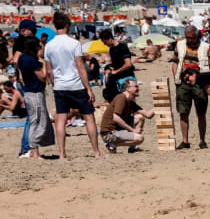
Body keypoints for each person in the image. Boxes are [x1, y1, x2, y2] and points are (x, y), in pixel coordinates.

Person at [43, 12, 101, 159]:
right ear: (67, 25)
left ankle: (62, 154)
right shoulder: (74, 43)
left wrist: (54, 84)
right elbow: (80, 67)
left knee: (60, 119)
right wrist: (88, 88)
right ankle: (96, 152)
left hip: (60, 87)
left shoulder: (49, 46)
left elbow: (48, 70)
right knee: (89, 118)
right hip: (76, 85)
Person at [173, 25, 210, 150]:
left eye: (192, 38)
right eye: (187, 37)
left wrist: (204, 80)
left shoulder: (205, 47)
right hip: (183, 84)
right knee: (183, 113)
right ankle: (185, 141)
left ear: (197, 36)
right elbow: (175, 62)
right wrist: (176, 78)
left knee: (201, 113)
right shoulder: (179, 45)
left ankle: (202, 141)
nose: (190, 40)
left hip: (199, 83)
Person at [15, 36, 52, 159]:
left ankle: (34, 150)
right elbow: (42, 77)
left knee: (34, 121)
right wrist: (44, 63)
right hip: (35, 93)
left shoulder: (22, 59)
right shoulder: (32, 60)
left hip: (28, 92)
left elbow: (20, 75)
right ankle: (34, 150)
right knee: (39, 122)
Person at [99, 79, 155, 153]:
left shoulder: (130, 101)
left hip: (117, 128)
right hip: (109, 133)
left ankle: (132, 148)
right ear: (128, 89)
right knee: (140, 138)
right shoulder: (121, 98)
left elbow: (148, 115)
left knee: (140, 118)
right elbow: (115, 117)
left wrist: (160, 104)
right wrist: (133, 130)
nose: (138, 89)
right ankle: (112, 145)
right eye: (136, 87)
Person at [99, 29, 135, 103]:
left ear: (110, 39)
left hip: (127, 77)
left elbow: (128, 64)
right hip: (118, 78)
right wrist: (109, 68)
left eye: (105, 42)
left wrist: (116, 71)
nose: (105, 44)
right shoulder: (111, 49)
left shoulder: (122, 47)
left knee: (129, 101)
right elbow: (115, 64)